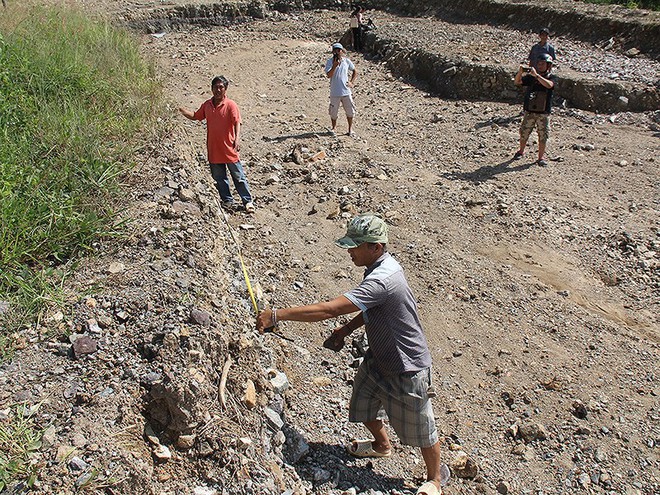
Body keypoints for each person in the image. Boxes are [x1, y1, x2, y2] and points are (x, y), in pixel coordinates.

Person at [256, 214, 444, 495]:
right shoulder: (377, 267)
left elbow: (330, 309)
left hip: (406, 365)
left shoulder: (383, 278)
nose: (350, 251)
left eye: (355, 246)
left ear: (376, 247)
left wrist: (276, 315)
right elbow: (371, 309)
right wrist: (345, 330)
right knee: (363, 406)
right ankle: (382, 446)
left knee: (422, 427)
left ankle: (436, 481)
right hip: (379, 356)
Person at [179, 75, 255, 213]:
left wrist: (237, 139)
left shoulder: (231, 105)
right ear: (211, 88)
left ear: (225, 89)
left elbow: (237, 122)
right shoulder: (207, 105)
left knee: (238, 176)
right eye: (216, 87)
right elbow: (196, 116)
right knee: (219, 178)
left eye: (221, 87)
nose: (218, 90)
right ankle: (227, 201)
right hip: (214, 149)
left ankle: (247, 201)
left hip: (229, 148)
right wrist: (181, 110)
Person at [513, 53, 556, 167]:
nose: (540, 66)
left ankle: (540, 157)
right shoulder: (531, 78)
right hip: (530, 111)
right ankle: (521, 151)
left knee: (543, 135)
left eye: (543, 64)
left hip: (543, 113)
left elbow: (549, 85)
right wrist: (520, 72)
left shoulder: (550, 77)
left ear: (548, 65)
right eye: (539, 63)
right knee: (524, 132)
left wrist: (537, 76)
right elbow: (517, 82)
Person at [325, 42, 358, 136]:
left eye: (338, 50)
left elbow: (355, 71)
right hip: (335, 92)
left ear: (341, 51)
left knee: (350, 111)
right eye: (335, 50)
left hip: (346, 91)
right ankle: (334, 128)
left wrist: (351, 82)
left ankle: (350, 129)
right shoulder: (329, 62)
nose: (337, 52)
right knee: (333, 112)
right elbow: (329, 75)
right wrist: (334, 66)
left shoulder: (346, 61)